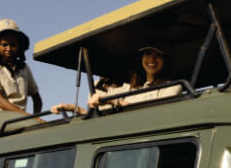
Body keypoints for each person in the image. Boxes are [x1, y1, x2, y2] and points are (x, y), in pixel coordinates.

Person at [51, 45, 181, 115]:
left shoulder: (173, 87)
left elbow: (149, 117)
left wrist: (113, 101)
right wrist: (74, 108)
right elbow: (101, 119)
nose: (152, 60)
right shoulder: (131, 88)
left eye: (158, 55)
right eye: (148, 54)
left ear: (166, 60)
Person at [0, 19, 43, 133]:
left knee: (47, 126)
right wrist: (31, 117)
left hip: (19, 116)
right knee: (36, 126)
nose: (8, 49)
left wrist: (35, 115)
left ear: (19, 46)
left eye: (12, 45)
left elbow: (36, 98)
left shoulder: (24, 68)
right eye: (5, 44)